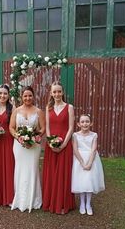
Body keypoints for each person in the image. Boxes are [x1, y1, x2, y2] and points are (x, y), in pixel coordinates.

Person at [9, 86, 45, 212]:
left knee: (32, 169)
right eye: (25, 96)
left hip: (34, 146)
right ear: (21, 97)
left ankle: (33, 199)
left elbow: (43, 129)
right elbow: (11, 128)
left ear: (33, 96)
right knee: (20, 169)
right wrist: (19, 137)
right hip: (19, 146)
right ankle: (20, 199)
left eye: (30, 95)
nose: (27, 98)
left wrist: (34, 138)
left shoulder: (39, 111)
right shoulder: (16, 111)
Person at [42, 81, 76, 214]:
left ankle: (62, 204)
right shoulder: (48, 108)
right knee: (51, 172)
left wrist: (63, 144)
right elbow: (48, 127)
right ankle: (50, 201)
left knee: (63, 173)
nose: (57, 94)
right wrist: (50, 142)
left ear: (62, 92)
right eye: (54, 91)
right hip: (51, 145)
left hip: (65, 144)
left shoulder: (69, 107)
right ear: (51, 93)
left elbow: (71, 127)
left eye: (59, 91)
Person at [72, 114, 105, 215]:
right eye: (82, 122)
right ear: (78, 124)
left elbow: (94, 149)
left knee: (90, 181)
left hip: (91, 159)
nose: (85, 124)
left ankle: (88, 204)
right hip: (79, 160)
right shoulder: (75, 135)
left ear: (91, 123)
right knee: (82, 181)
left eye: (87, 121)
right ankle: (82, 203)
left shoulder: (94, 135)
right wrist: (82, 163)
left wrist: (90, 163)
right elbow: (75, 149)